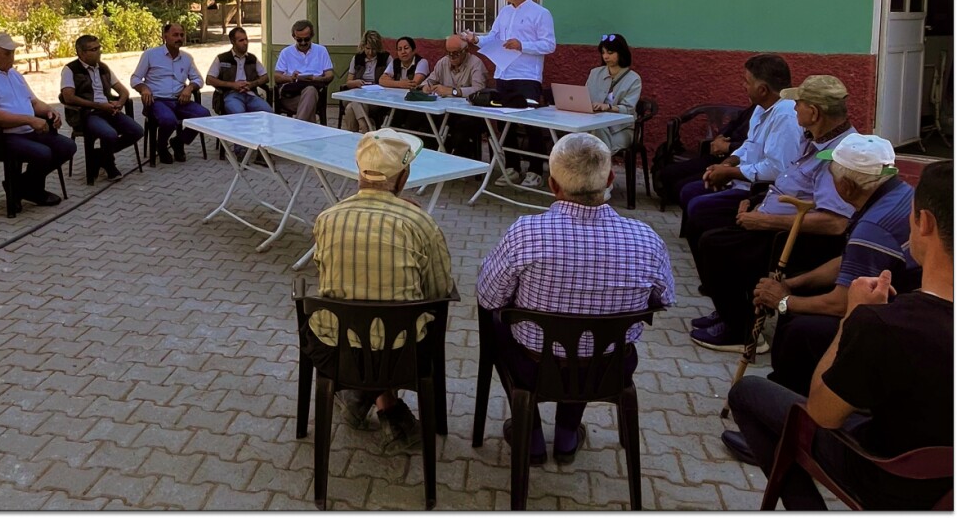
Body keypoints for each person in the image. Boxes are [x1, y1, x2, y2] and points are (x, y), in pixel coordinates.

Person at [727, 160, 953, 510]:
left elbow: (821, 414)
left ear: (924, 223)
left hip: (891, 477)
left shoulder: (886, 323)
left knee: (747, 392)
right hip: (944, 481)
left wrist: (853, 316)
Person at [477, 133, 674, 465]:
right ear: (610, 180)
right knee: (589, 334)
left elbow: (488, 296)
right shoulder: (647, 239)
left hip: (534, 366)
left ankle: (531, 434)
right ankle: (567, 434)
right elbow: (664, 299)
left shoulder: (526, 233)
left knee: (495, 319)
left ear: (553, 185)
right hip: (609, 368)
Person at [721, 134, 919, 464]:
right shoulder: (898, 193)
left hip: (896, 321)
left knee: (800, 331)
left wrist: (784, 303)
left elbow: (841, 303)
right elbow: (850, 261)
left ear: (848, 187)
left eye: (832, 173)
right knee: (800, 312)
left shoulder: (873, 226)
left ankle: (782, 433)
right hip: (899, 302)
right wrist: (791, 284)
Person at [305, 129, 455, 453]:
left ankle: (363, 396)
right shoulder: (420, 223)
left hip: (335, 352)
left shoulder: (327, 219)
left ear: (359, 171)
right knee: (397, 323)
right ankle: (386, 405)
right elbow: (440, 291)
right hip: (403, 356)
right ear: (403, 176)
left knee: (364, 319)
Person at [691, 75, 858, 351]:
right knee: (703, 218)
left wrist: (764, 221)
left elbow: (835, 223)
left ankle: (741, 331)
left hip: (795, 237)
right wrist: (756, 201)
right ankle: (731, 310)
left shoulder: (838, 154)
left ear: (814, 112)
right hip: (773, 217)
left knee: (715, 244)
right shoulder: (815, 138)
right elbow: (792, 182)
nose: (794, 109)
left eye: (798, 104)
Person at [680, 55, 800, 263]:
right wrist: (726, 164)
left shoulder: (786, 116)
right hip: (742, 179)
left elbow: (776, 169)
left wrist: (730, 173)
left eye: (747, 81)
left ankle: (718, 261)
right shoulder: (761, 108)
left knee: (699, 208)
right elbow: (749, 145)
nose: (743, 86)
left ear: (762, 89)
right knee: (689, 191)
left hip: (759, 189)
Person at [461, 0, 556, 187]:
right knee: (505, 124)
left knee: (530, 124)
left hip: (527, 77)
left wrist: (522, 45)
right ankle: (512, 168)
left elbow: (549, 44)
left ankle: (535, 170)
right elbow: (493, 38)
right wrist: (476, 39)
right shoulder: (504, 13)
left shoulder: (541, 13)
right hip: (503, 74)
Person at [0, 32, 75, 209]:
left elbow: (34, 102)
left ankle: (19, 187)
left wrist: (50, 111)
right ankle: (28, 189)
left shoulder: (14, 74)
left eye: (13, 53)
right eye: (7, 53)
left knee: (67, 147)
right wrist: (29, 120)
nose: (12, 57)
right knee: (42, 153)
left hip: (25, 132)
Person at [60, 34, 143, 180]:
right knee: (109, 134)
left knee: (136, 131)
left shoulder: (103, 68)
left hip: (108, 111)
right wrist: (98, 106)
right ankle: (109, 164)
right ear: (81, 53)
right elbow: (68, 97)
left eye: (99, 48)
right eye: (94, 49)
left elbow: (124, 91)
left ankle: (99, 156)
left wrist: (119, 103)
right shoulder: (70, 70)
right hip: (87, 114)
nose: (99, 52)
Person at [131, 23, 210, 163]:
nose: (179, 38)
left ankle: (178, 142)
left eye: (181, 35)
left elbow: (198, 79)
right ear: (165, 36)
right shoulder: (150, 55)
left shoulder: (187, 58)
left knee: (204, 115)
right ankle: (161, 146)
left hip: (180, 100)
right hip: (157, 101)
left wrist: (189, 88)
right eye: (175, 35)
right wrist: (143, 88)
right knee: (169, 120)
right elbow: (135, 78)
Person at [655, 103, 755, 210]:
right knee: (668, 172)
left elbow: (752, 149)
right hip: (718, 156)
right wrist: (719, 138)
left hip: (736, 164)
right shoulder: (754, 109)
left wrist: (728, 147)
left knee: (684, 187)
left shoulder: (767, 117)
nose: (746, 92)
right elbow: (732, 125)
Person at [419, 35, 488, 157]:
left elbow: (479, 89)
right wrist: (426, 87)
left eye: (455, 53)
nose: (451, 57)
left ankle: (462, 161)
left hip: (469, 113)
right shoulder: (443, 62)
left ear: (465, 51)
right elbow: (429, 80)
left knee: (460, 131)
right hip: (446, 111)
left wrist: (453, 91)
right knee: (425, 125)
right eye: (448, 53)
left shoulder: (476, 63)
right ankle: (434, 159)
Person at [585, 33, 642, 152]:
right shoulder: (595, 73)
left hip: (622, 129)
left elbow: (628, 109)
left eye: (610, 53)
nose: (605, 56)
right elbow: (584, 98)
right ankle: (601, 161)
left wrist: (608, 107)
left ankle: (600, 160)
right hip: (594, 125)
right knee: (590, 139)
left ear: (621, 53)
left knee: (593, 145)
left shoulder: (634, 79)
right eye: (603, 53)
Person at [274, 19, 335, 124]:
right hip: (291, 96)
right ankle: (302, 128)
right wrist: (291, 78)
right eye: (299, 40)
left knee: (310, 90)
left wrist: (316, 79)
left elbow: (330, 75)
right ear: (294, 37)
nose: (303, 43)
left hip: (314, 93)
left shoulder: (321, 51)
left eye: (306, 39)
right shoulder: (286, 52)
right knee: (309, 102)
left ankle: (298, 127)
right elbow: (277, 77)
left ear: (312, 36)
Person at [205, 26, 272, 115]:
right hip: (231, 95)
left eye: (246, 39)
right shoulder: (222, 59)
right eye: (241, 40)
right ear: (233, 42)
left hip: (250, 94)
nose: (245, 43)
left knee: (269, 112)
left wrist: (252, 84)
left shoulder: (252, 59)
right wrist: (232, 85)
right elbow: (209, 80)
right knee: (239, 114)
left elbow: (265, 77)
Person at [340, 30, 391, 133]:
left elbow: (391, 80)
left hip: (376, 98)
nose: (370, 52)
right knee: (355, 99)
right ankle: (365, 127)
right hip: (358, 92)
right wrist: (355, 82)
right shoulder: (357, 58)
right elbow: (349, 82)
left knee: (350, 108)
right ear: (363, 46)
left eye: (374, 49)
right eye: (368, 48)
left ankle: (357, 135)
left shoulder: (386, 58)